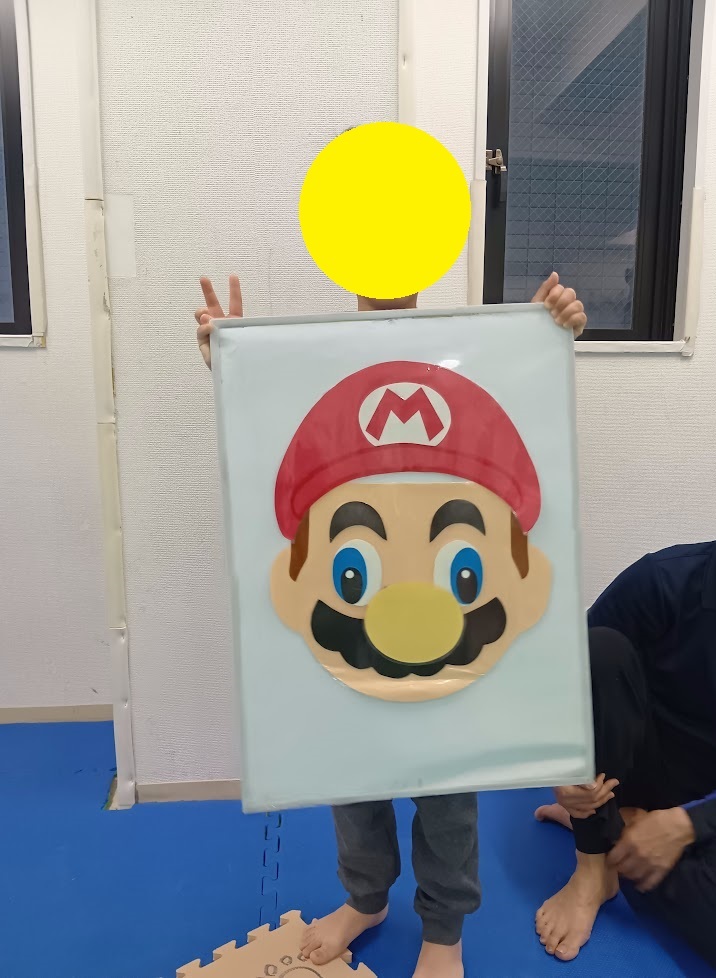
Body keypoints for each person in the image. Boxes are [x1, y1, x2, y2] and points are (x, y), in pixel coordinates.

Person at [195, 271, 587, 978]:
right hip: (352, 655)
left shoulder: (460, 351)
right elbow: (266, 436)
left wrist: (537, 336)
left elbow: (513, 394)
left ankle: (444, 930)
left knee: (449, 798)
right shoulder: (321, 356)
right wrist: (233, 364)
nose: (386, 278)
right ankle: (366, 900)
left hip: (458, 665)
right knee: (352, 781)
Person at [535, 543, 716, 969]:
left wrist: (691, 824)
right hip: (632, 767)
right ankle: (594, 862)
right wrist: (562, 770)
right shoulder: (663, 579)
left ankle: (617, 832)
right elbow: (564, 680)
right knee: (600, 650)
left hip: (706, 805)